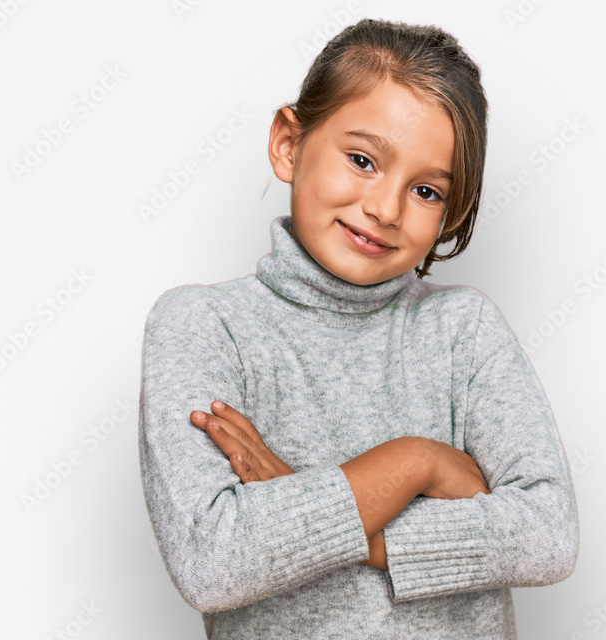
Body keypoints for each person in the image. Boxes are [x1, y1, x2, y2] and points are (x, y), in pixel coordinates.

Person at [138, 17, 579, 639]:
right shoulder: (204, 326)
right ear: (290, 144)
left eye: (426, 190)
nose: (385, 208)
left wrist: (300, 498)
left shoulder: (464, 330)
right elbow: (214, 560)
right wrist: (420, 464)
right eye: (362, 159)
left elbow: (547, 535)